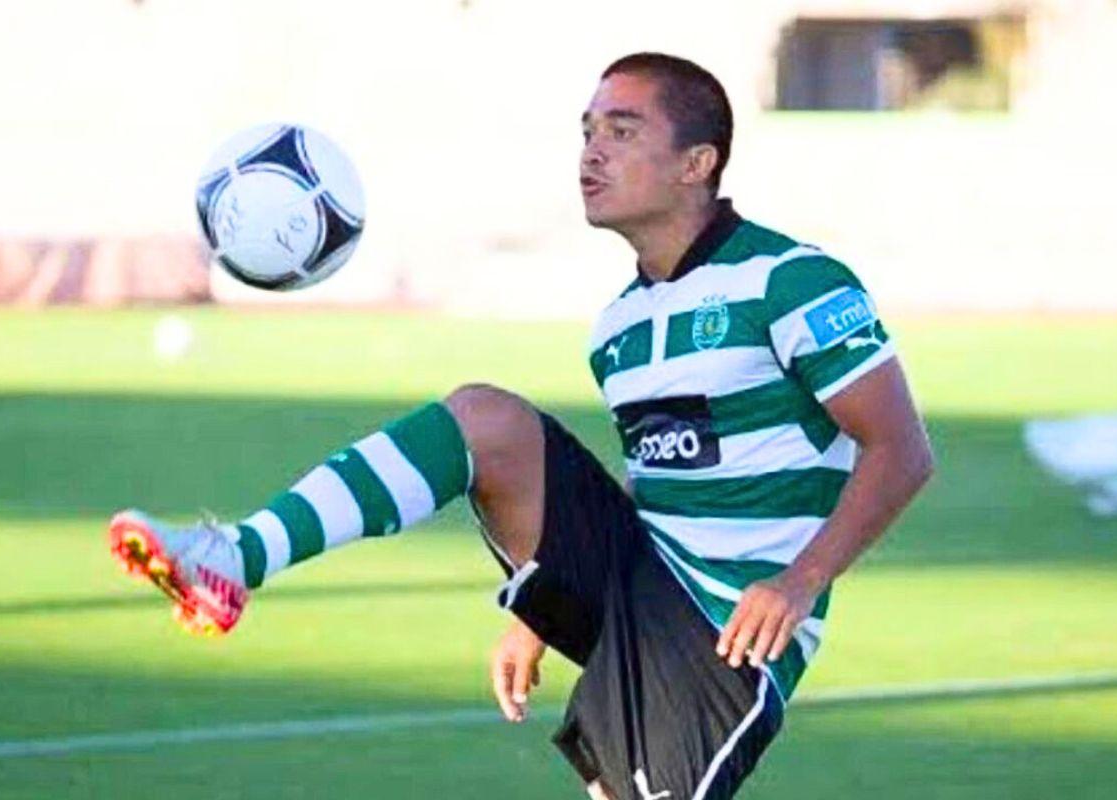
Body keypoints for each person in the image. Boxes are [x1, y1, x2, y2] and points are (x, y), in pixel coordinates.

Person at [110, 52, 934, 799]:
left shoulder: (791, 280)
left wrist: (798, 582)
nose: (591, 152)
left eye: (621, 130)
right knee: (485, 421)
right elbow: (653, 493)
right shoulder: (617, 330)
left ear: (697, 162)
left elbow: (901, 450)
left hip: (726, 637)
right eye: (586, 131)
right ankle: (237, 558)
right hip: (645, 587)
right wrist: (540, 609)